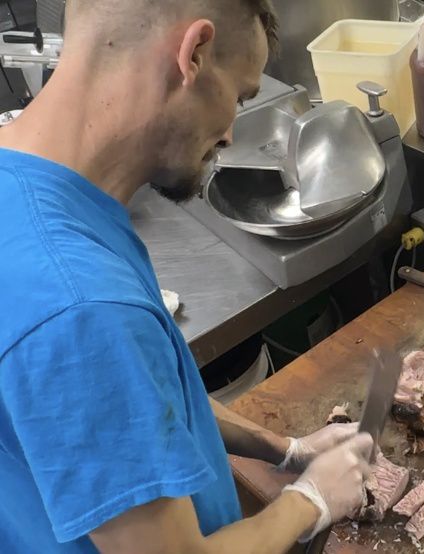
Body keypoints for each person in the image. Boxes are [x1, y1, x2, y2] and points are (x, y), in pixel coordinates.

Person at [0, 1, 375, 552]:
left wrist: (284, 448)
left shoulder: (27, 183)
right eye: (241, 96)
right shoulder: (83, 308)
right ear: (193, 54)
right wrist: (309, 502)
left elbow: (145, 401)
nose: (229, 134)